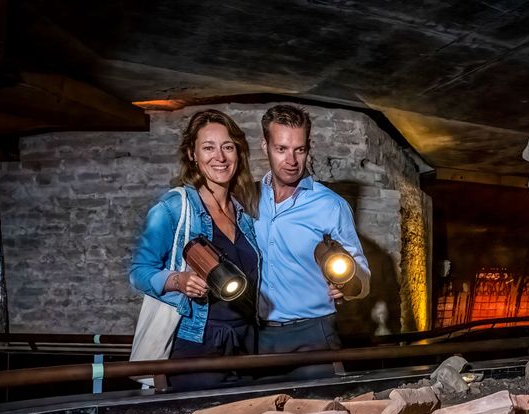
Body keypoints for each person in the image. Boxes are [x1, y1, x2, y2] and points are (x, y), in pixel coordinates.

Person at [130, 109, 261, 390]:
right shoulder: (174, 206)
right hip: (197, 342)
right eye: (208, 147)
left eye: (228, 147)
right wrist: (178, 281)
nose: (220, 157)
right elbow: (138, 272)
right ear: (192, 154)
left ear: (238, 152)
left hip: (245, 342)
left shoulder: (244, 213)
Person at [255, 104, 370, 361]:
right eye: (281, 149)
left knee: (325, 402)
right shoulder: (248, 198)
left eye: (300, 150)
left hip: (313, 334)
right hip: (258, 336)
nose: (292, 161)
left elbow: (361, 274)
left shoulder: (331, 205)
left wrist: (349, 285)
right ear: (265, 147)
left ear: (308, 148)